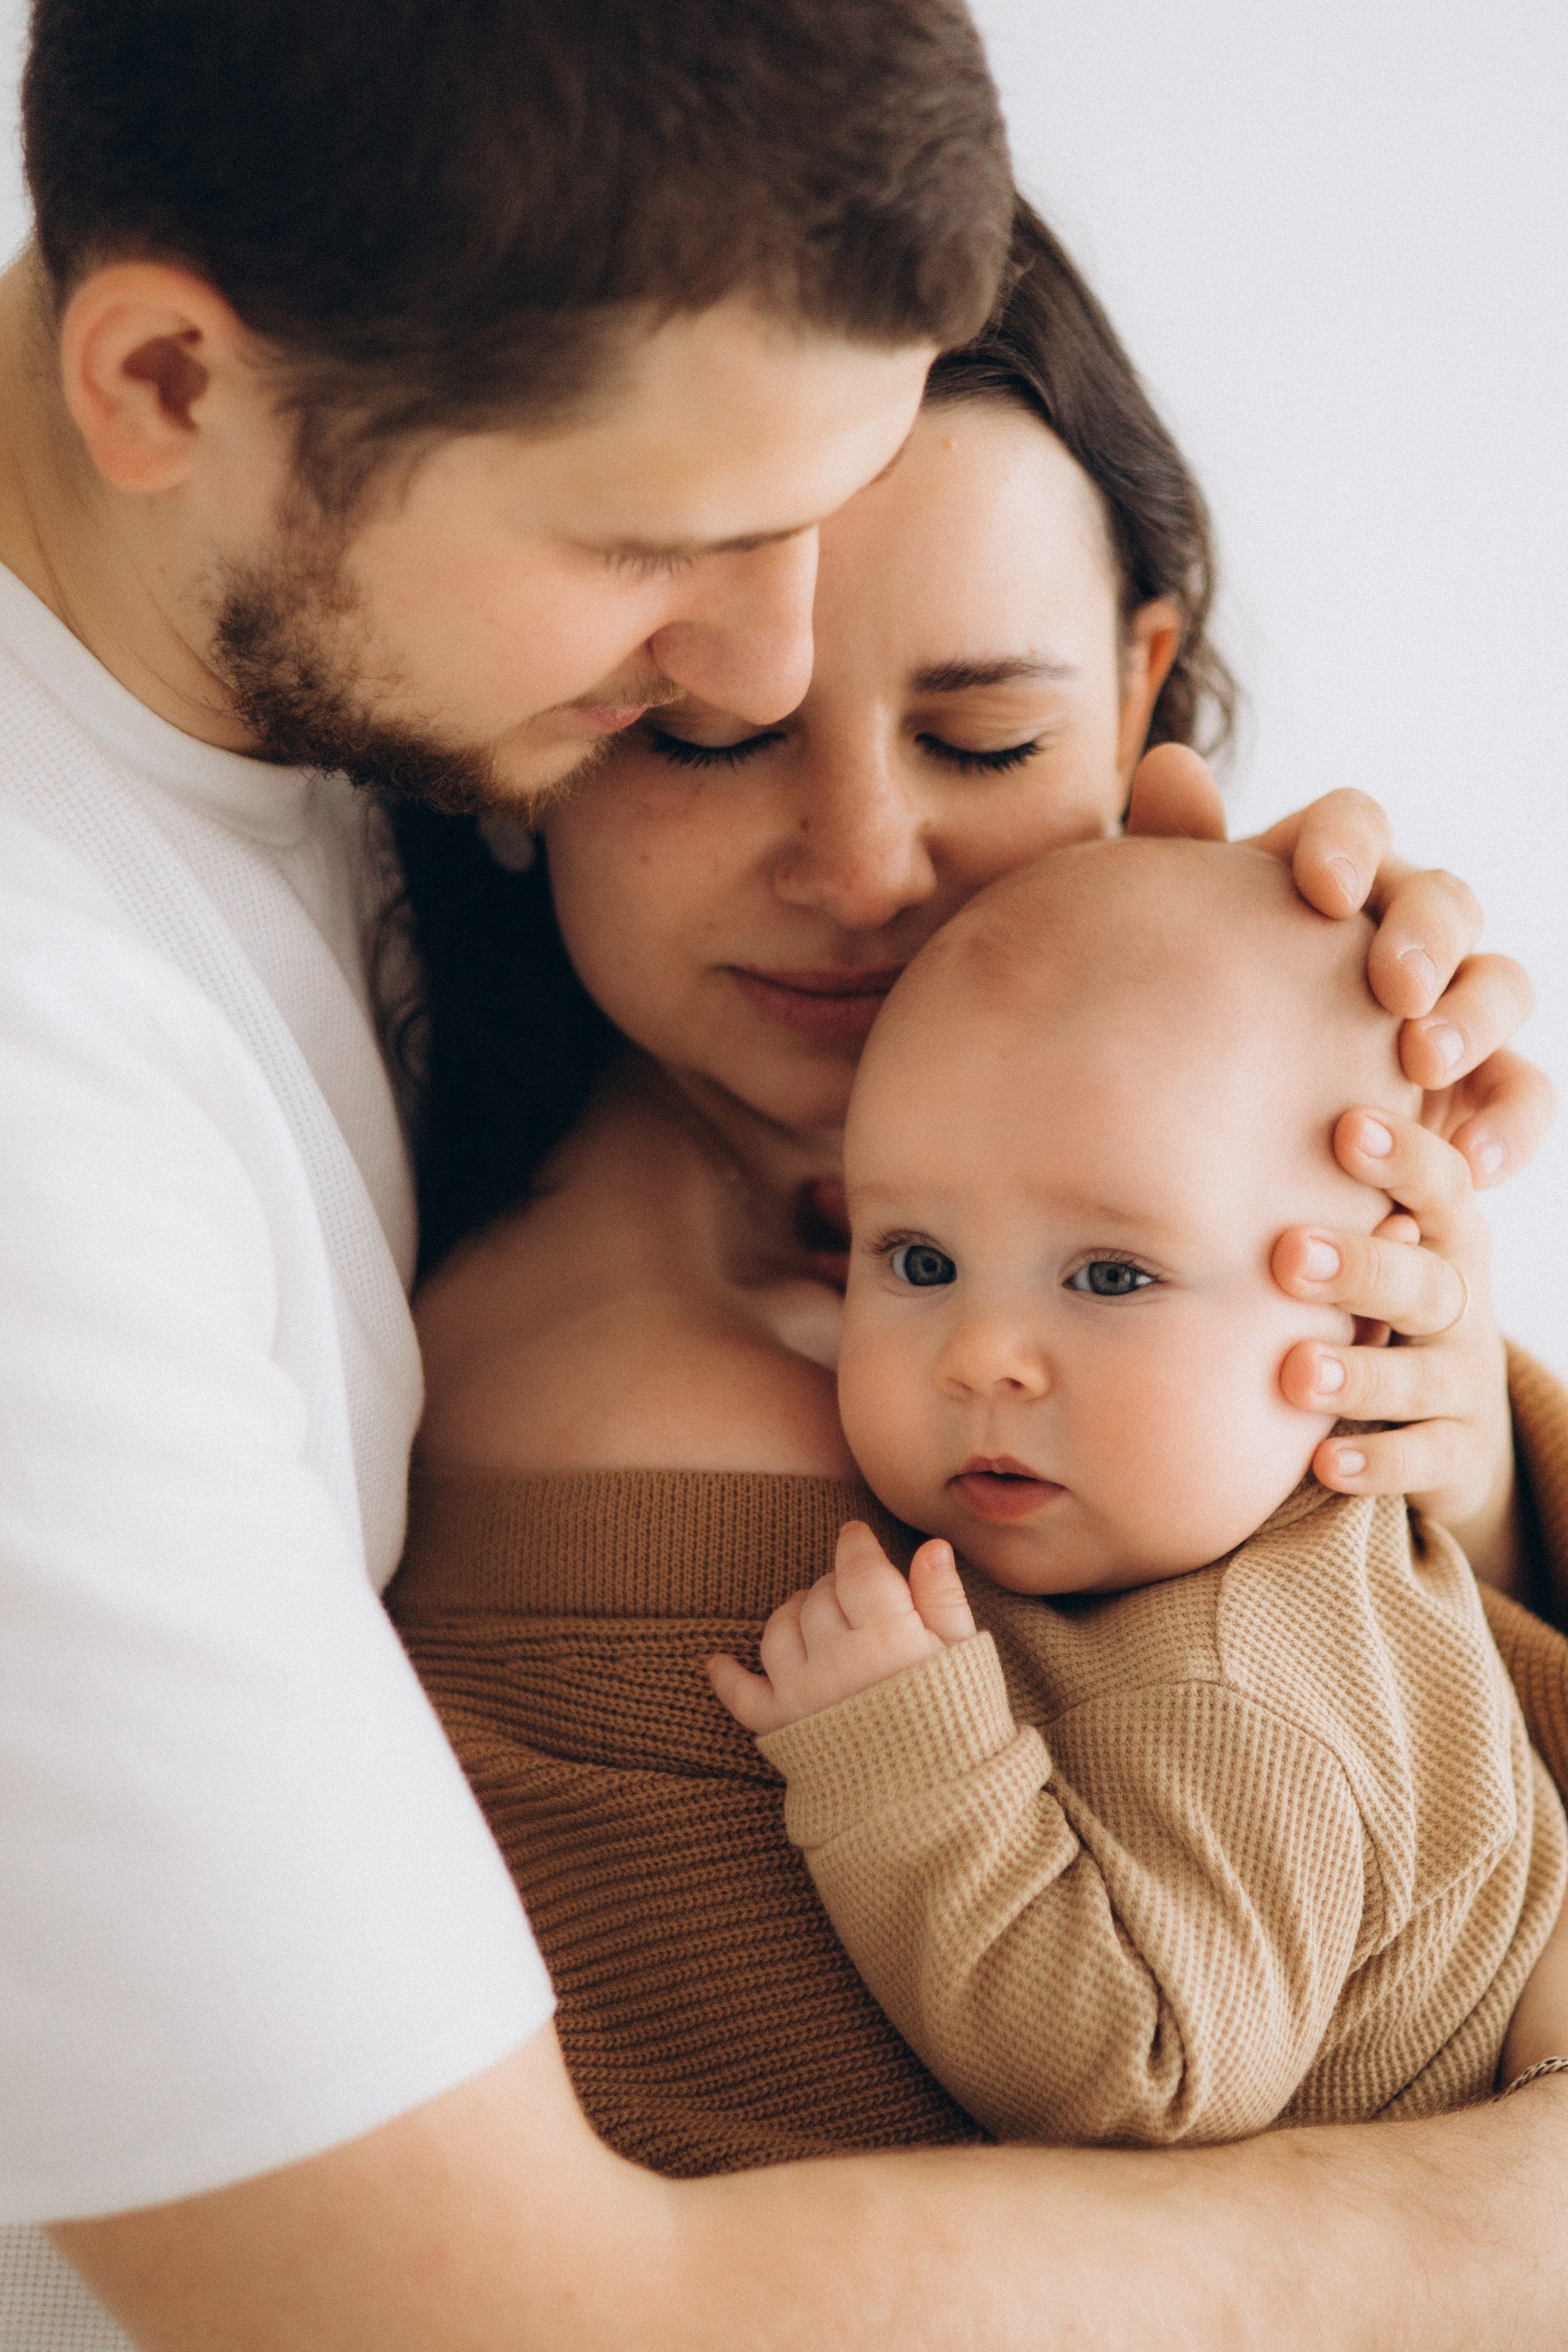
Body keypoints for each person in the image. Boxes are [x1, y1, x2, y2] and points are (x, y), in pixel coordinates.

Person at [386, 200, 1568, 2343]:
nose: (862, 869)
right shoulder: (509, 1325)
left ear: (1139, 690)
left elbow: (1420, 1788)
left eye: (990, 739)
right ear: (523, 720)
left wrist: (1444, 1443)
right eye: (707, 735)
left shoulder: (1273, 1186)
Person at [710, 837, 1567, 2147]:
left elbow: (1149, 2079)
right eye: (920, 1260)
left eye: (1111, 1277)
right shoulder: (1218, 1521)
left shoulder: (1244, 1692)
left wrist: (906, 1765)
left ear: (1364, 1317)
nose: (980, 1357)